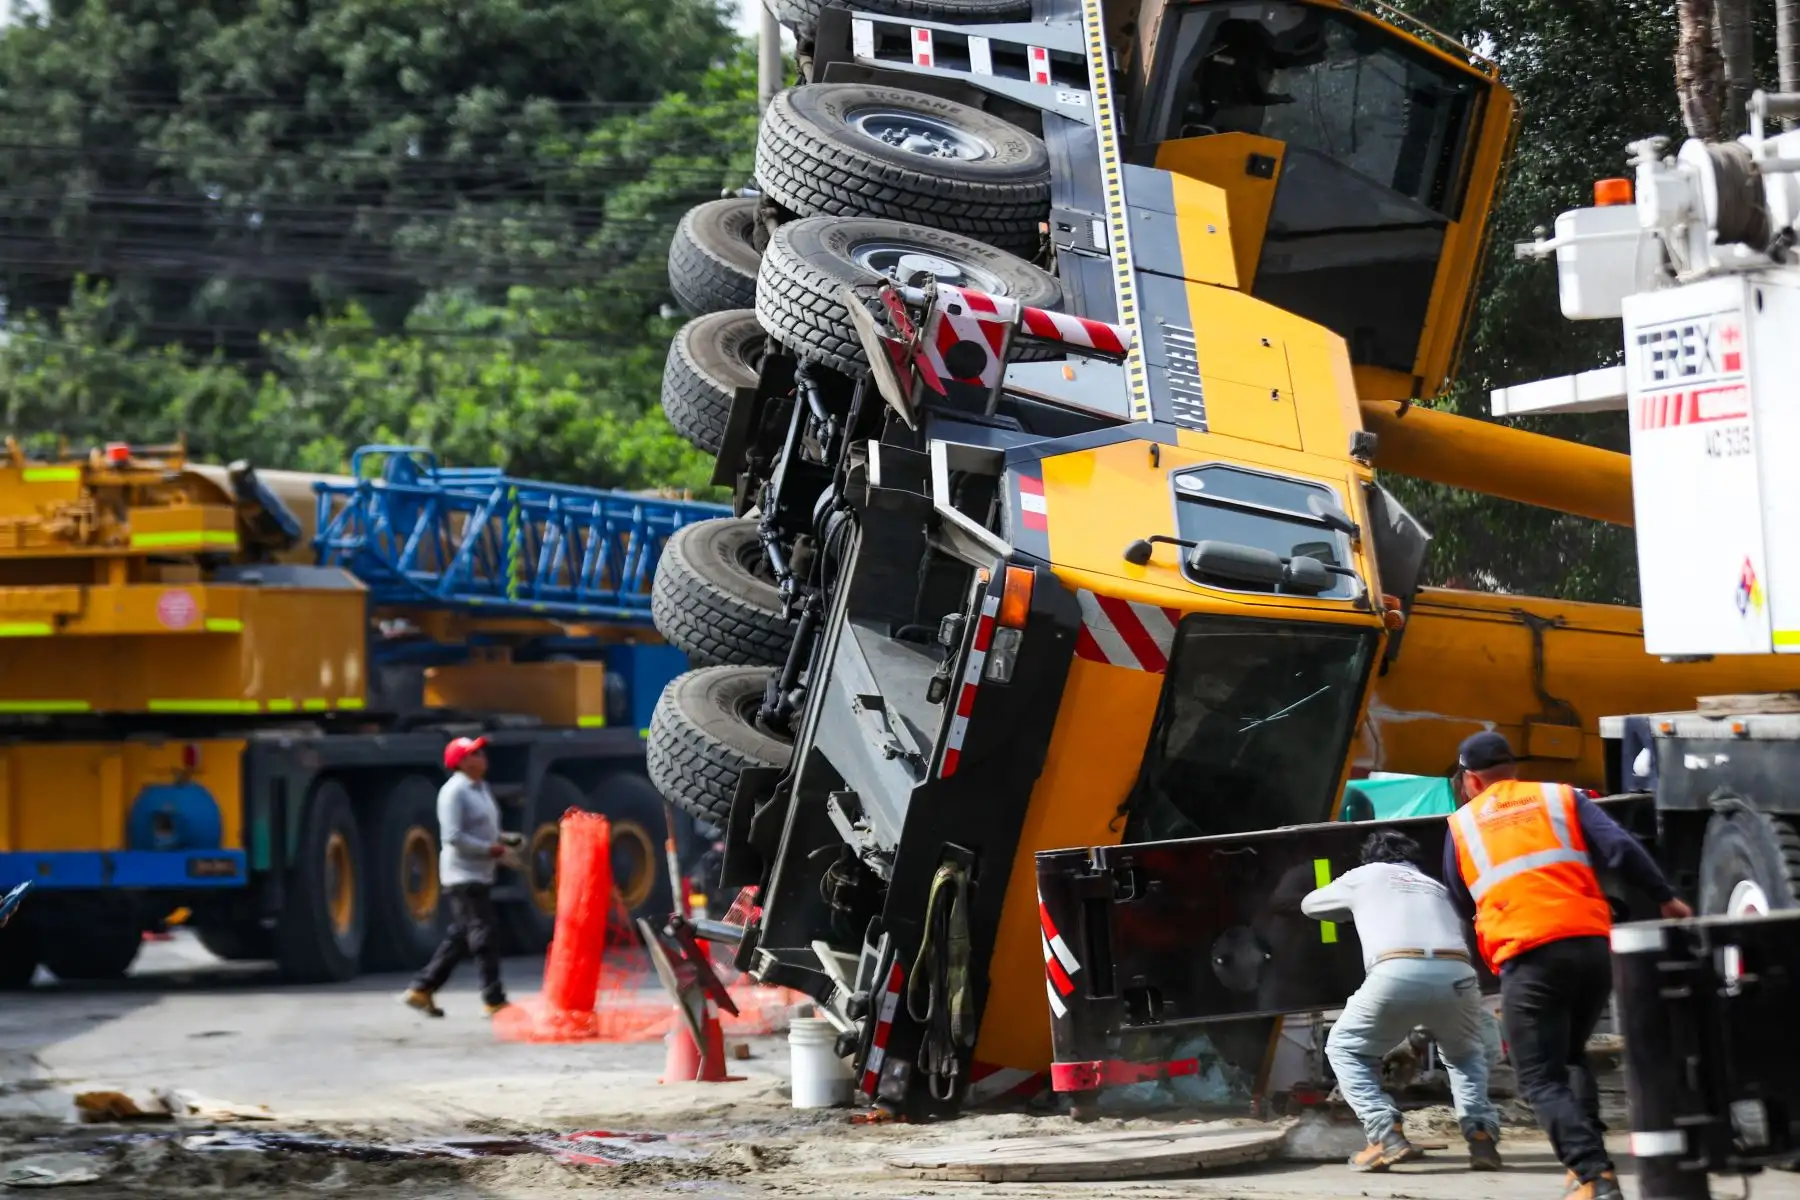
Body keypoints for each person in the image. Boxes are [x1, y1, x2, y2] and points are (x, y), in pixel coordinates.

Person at [1443, 731, 1692, 1200]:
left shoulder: (1462, 825)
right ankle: (1589, 1166)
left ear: (1472, 780)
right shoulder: (1559, 797)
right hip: (1592, 947)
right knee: (1571, 1057)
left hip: (1528, 954)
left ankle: (1592, 1174)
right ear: (1512, 769)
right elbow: (1620, 850)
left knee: (1538, 1075)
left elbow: (1460, 897)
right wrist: (1667, 899)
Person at [1303, 829, 1502, 1173]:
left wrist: (1352, 911)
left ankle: (1386, 1135)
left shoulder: (1366, 875)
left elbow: (1311, 905)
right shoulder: (1435, 886)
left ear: (1371, 857)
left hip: (1398, 968)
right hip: (1458, 974)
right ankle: (1482, 1138)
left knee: (1345, 1047)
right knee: (1465, 1056)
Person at [402, 736, 511, 1017]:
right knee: (484, 933)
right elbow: (453, 837)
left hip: (480, 873)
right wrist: (489, 849)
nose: (482, 757)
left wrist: (506, 842)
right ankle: (493, 998)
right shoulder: (454, 792)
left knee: (461, 936)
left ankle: (422, 989)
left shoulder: (481, 788)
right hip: (463, 876)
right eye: (474, 753)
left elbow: (485, 829)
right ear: (461, 762)